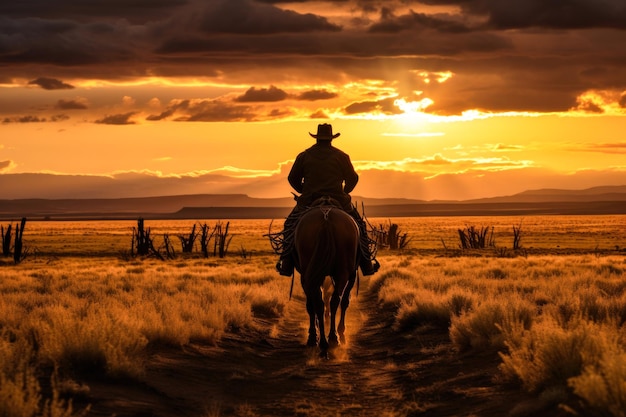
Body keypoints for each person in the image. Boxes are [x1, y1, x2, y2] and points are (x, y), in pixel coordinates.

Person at [276, 123, 380, 276]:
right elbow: (353, 178)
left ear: (317, 138)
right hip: (338, 199)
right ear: (331, 138)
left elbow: (292, 178)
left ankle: (287, 264)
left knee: (290, 224)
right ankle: (366, 264)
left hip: (309, 200)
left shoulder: (304, 156)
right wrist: (345, 191)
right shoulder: (342, 156)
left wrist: (303, 191)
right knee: (360, 226)